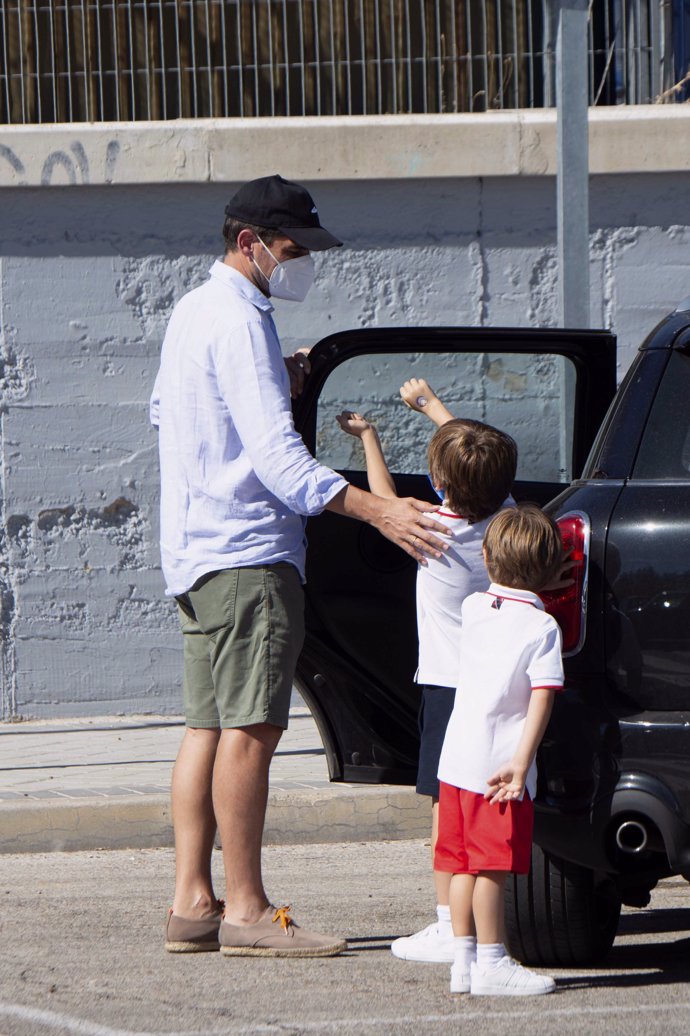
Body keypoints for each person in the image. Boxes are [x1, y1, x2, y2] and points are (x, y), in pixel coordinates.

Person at [150, 174, 450, 959]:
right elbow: (284, 466)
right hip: (250, 554)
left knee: (206, 729)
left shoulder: (192, 311)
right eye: (292, 250)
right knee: (251, 732)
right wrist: (378, 508)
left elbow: (166, 412)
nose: (302, 263)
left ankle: (192, 902)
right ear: (249, 243)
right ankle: (247, 911)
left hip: (195, 553)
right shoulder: (239, 318)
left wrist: (271, 378)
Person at [336, 376, 517, 964]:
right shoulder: (508, 523)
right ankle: (480, 913)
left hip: (447, 688)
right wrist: (435, 407)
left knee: (446, 804)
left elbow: (385, 502)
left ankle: (448, 921)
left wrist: (371, 439)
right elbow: (475, 459)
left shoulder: (432, 533)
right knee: (487, 800)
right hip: (499, 686)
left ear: (438, 486)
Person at [436, 503, 564, 996]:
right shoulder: (542, 628)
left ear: (487, 558)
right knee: (492, 869)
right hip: (499, 771)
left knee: (464, 864)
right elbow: (542, 698)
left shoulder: (473, 609)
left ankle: (463, 961)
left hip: (458, 763)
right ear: (553, 570)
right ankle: (493, 962)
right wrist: (521, 762)